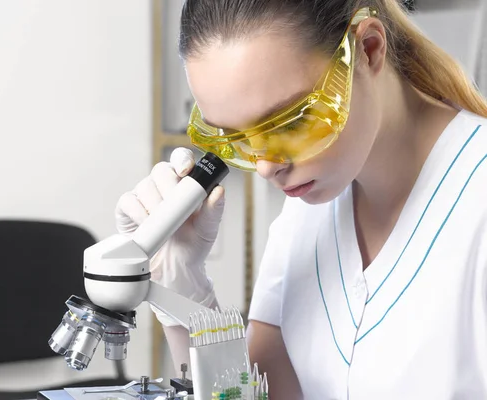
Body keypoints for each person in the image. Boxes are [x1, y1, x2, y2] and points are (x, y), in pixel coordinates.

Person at [115, 1, 487, 398]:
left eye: (290, 122)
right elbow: (261, 395)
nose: (265, 167)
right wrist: (183, 294)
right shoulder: (307, 211)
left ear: (370, 50)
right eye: (237, 138)